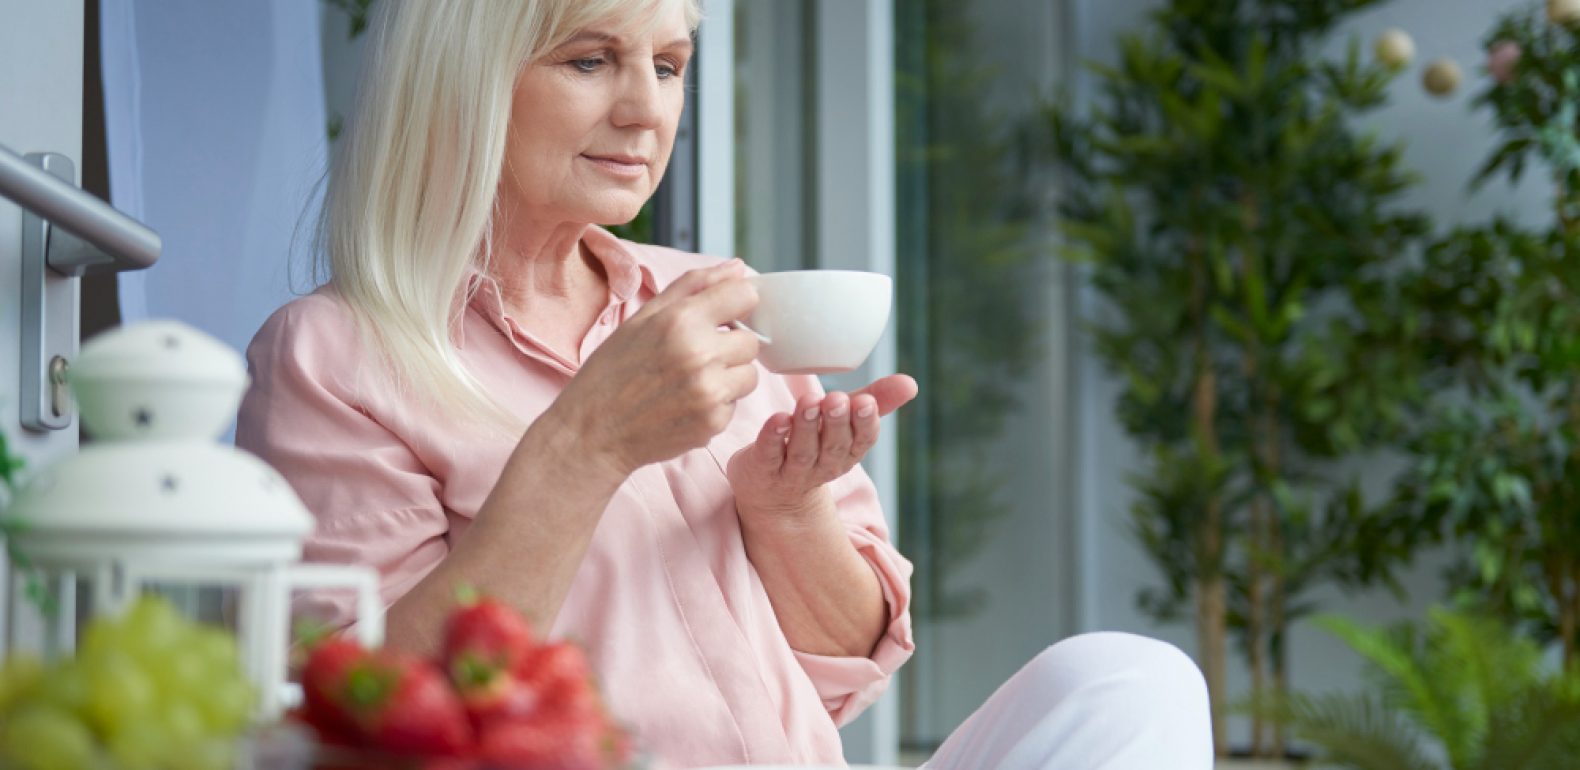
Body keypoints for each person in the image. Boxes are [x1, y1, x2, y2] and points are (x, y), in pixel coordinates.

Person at [235, 1, 1212, 767]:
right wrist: (586, 444)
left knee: (1128, 679)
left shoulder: (708, 300)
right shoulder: (331, 357)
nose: (644, 109)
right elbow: (368, 707)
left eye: (666, 66)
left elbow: (853, 659)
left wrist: (786, 514)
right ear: (461, 83)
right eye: (589, 60)